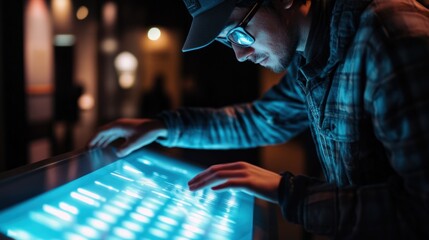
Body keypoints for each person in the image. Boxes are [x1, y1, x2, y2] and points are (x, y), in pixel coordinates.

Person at [89, 0, 429, 238]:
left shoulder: (392, 36)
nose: (239, 55)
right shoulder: (310, 56)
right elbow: (260, 120)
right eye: (227, 42)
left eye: (239, 32)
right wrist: (163, 126)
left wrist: (286, 191)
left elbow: (420, 213)